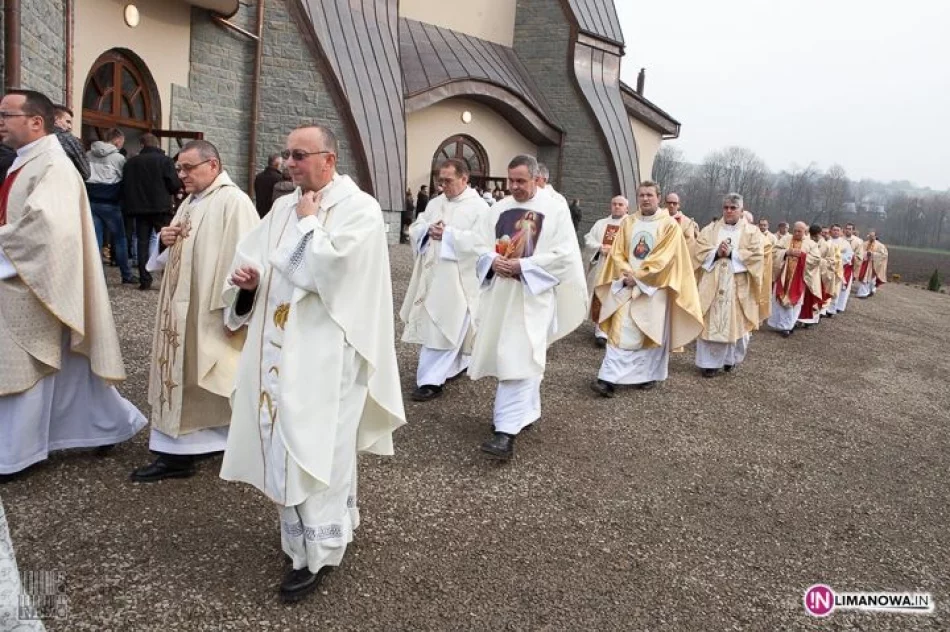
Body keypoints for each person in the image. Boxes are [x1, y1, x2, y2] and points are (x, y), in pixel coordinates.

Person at [220, 124, 406, 602]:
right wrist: (246, 283)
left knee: (320, 446)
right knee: (282, 441)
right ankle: (295, 540)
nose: (290, 163)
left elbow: (334, 274)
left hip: (327, 356)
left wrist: (308, 223)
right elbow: (260, 261)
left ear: (329, 158)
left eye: (300, 155)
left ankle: (321, 553)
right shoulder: (284, 204)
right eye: (287, 155)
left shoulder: (359, 209)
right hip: (279, 349)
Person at [0, 89, 145, 477]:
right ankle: (110, 424)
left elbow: (46, 227)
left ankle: (17, 453)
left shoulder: (54, 165)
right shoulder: (28, 160)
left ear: (36, 122)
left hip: (34, 281)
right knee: (69, 366)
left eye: (7, 114)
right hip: (26, 278)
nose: (0, 122)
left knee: (32, 362)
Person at [130, 140, 260, 482]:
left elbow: (250, 260)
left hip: (209, 311)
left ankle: (180, 454)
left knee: (206, 375)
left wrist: (238, 312)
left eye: (188, 168)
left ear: (213, 166)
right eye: (179, 168)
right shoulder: (190, 201)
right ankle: (188, 446)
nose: (180, 175)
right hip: (179, 309)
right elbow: (170, 253)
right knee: (183, 374)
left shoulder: (234, 202)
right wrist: (164, 240)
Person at [469, 155, 586, 459]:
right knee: (520, 354)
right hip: (502, 295)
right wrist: (492, 260)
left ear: (537, 179)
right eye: (511, 180)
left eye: (521, 181)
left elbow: (565, 256)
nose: (514, 187)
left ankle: (504, 432)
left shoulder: (555, 210)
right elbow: (478, 245)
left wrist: (524, 265)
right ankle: (528, 413)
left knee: (519, 355)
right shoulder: (499, 209)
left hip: (533, 297)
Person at [591, 181, 702, 396]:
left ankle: (648, 375)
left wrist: (640, 278)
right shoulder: (628, 222)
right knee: (620, 329)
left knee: (649, 331)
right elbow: (617, 252)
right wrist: (627, 273)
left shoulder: (669, 225)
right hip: (627, 285)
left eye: (649, 195)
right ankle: (607, 378)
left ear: (657, 197)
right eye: (641, 195)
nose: (645, 199)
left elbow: (665, 258)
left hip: (654, 288)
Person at [401, 159, 488, 401]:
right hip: (431, 275)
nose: (442, 186)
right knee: (435, 324)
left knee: (445, 325)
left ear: (464, 179)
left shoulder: (479, 208)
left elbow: (482, 242)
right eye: (440, 181)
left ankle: (430, 381)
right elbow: (418, 225)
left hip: (457, 279)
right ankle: (452, 367)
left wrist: (449, 235)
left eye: (448, 181)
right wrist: (426, 231)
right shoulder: (435, 203)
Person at [693, 194, 765, 377]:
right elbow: (698, 250)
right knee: (709, 324)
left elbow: (757, 255)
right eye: (726, 208)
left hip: (737, 286)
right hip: (712, 286)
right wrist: (716, 253)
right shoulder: (710, 230)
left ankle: (729, 360)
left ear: (741, 210)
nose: (729, 211)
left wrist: (732, 253)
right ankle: (708, 364)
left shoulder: (752, 232)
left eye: (733, 208)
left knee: (735, 325)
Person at [122, 133, 182, 290]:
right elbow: (174, 184)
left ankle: (144, 279)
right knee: (166, 241)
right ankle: (166, 279)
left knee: (142, 243)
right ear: (157, 144)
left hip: (140, 208)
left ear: (142, 145)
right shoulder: (165, 161)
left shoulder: (131, 162)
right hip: (161, 207)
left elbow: (126, 185)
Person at [86, 128, 136, 284]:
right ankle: (126, 274)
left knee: (96, 240)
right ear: (118, 140)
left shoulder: (88, 154)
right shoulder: (118, 158)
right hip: (111, 202)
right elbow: (125, 179)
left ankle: (98, 278)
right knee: (120, 239)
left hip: (91, 200)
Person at [582, 196, 629, 347]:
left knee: (616, 296)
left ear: (626, 208)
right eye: (614, 204)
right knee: (601, 296)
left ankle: (616, 329)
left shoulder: (631, 224)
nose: (617, 207)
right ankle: (600, 331)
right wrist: (599, 248)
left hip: (620, 269)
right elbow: (588, 238)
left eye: (620, 204)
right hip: (602, 267)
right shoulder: (601, 224)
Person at [767, 222, 820, 337]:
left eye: (799, 231)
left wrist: (802, 255)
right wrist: (786, 252)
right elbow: (774, 251)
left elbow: (816, 259)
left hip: (799, 277)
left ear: (805, 232)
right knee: (779, 299)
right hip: (783, 275)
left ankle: (788, 326)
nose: (796, 233)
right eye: (795, 230)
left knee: (795, 302)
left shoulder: (811, 244)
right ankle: (778, 324)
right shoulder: (786, 239)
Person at [797, 224, 831, 328]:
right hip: (804, 273)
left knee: (814, 295)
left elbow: (831, 261)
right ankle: (799, 318)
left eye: (817, 236)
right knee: (803, 296)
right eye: (813, 236)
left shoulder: (827, 246)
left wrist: (820, 262)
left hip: (818, 274)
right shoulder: (805, 242)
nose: (816, 238)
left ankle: (811, 319)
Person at [52, 104, 90, 180]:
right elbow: (86, 172)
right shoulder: (66, 137)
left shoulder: (35, 137)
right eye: (67, 122)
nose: (70, 127)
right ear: (56, 119)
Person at [855, 231, 888, 298]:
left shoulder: (880, 245)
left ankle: (870, 290)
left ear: (875, 237)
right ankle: (863, 293)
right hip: (865, 263)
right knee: (864, 278)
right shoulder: (864, 244)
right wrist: (866, 254)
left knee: (871, 280)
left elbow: (883, 255)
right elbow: (860, 252)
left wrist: (872, 254)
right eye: (870, 236)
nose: (871, 237)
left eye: (872, 236)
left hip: (874, 265)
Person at [253, 153, 284, 218]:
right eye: (281, 164)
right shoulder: (279, 178)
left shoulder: (259, 177)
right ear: (277, 165)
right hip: (273, 213)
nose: (281, 166)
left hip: (260, 211)